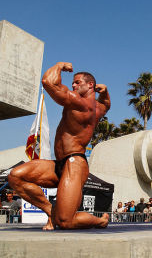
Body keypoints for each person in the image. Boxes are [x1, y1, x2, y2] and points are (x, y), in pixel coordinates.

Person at [8, 62, 110, 230]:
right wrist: (105, 92)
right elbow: (106, 104)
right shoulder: (99, 107)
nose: (73, 85)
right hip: (59, 163)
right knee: (15, 176)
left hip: (75, 164)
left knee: (65, 221)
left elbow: (48, 82)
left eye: (78, 82)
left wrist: (60, 65)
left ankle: (101, 221)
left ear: (90, 85)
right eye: (73, 82)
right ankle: (51, 210)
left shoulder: (80, 103)